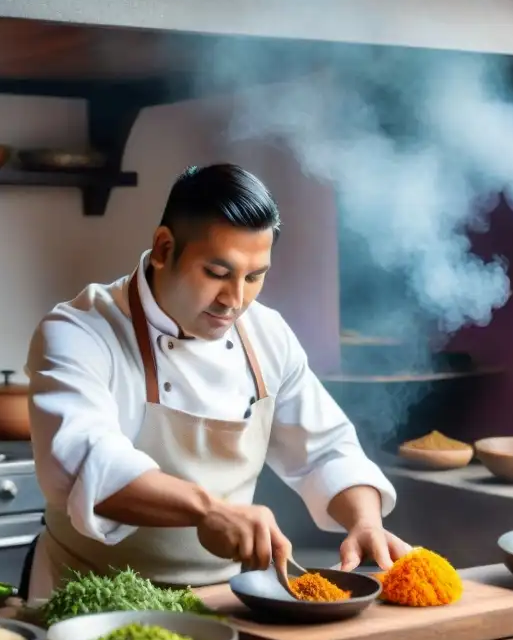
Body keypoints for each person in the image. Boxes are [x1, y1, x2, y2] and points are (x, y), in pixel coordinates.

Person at [23, 163, 411, 600]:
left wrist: (364, 522)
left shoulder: (268, 334)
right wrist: (208, 511)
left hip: (224, 601)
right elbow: (81, 461)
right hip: (89, 600)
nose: (235, 300)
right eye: (218, 273)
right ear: (164, 248)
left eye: (254, 276)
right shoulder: (79, 331)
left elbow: (326, 449)